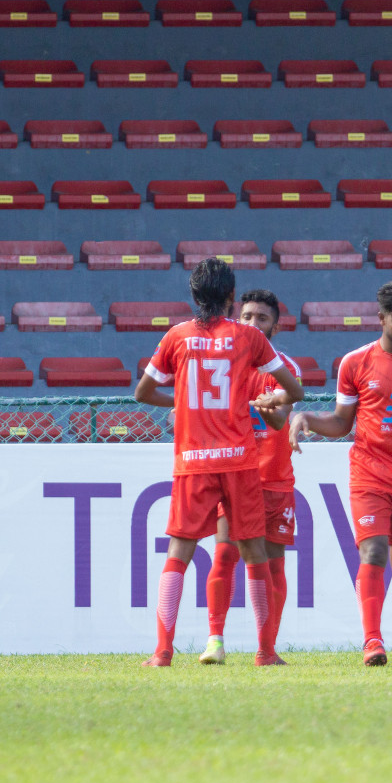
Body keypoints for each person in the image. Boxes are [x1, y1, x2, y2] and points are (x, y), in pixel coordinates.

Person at [133, 260, 305, 666]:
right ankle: (265, 653)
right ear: (231, 298)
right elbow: (294, 389)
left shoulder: (177, 336)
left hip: (193, 460)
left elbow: (143, 392)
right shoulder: (248, 338)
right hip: (240, 462)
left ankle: (162, 652)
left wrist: (185, 403)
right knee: (254, 555)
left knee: (179, 552)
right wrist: (262, 403)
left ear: (193, 298)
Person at [289, 280, 392, 668]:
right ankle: (372, 642)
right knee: (373, 551)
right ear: (381, 319)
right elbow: (343, 423)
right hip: (370, 474)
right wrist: (307, 417)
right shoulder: (354, 362)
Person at [200, 289, 305, 667]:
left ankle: (267, 649)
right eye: (246, 316)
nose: (253, 323)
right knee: (224, 554)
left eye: (262, 318)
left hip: (275, 480)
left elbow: (279, 420)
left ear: (275, 326)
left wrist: (270, 406)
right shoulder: (222, 366)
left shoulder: (286, 369)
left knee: (274, 565)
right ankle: (215, 640)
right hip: (234, 477)